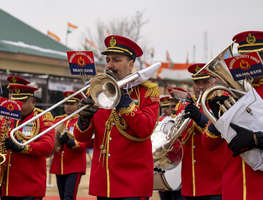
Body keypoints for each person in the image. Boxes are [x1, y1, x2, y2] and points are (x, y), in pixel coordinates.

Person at [73, 35, 160, 199]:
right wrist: (83, 120)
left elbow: (145, 129)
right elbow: (82, 138)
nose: (109, 65)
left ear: (131, 64)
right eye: (108, 60)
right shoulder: (96, 90)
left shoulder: (147, 92)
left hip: (133, 183)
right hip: (104, 182)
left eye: (116, 60)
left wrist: (121, 98)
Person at [203, 31, 263, 200]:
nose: (247, 63)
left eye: (256, 57)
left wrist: (257, 139)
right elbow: (208, 144)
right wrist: (218, 120)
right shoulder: (231, 94)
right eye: (243, 57)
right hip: (234, 189)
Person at [0, 84, 55, 200]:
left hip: (30, 186)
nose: (18, 106)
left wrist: (20, 146)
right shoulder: (7, 118)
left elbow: (47, 146)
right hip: (8, 185)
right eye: (15, 102)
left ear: (33, 102)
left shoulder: (43, 117)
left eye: (22, 102)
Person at [176, 63, 226, 200]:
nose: (201, 87)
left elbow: (223, 135)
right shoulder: (184, 105)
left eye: (206, 82)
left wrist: (201, 119)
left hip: (216, 182)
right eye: (197, 82)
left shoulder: (222, 104)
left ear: (215, 80)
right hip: (191, 182)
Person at [50, 91, 94, 200]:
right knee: (62, 196)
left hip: (74, 165)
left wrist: (69, 141)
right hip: (59, 165)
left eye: (72, 104)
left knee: (69, 197)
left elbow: (85, 144)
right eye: (66, 104)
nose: (68, 107)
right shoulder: (57, 120)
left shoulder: (81, 121)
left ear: (78, 105)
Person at [158, 97, 183, 200]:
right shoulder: (161, 121)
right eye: (172, 102)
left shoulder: (182, 119)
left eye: (176, 102)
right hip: (164, 165)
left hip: (180, 165)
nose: (173, 104)